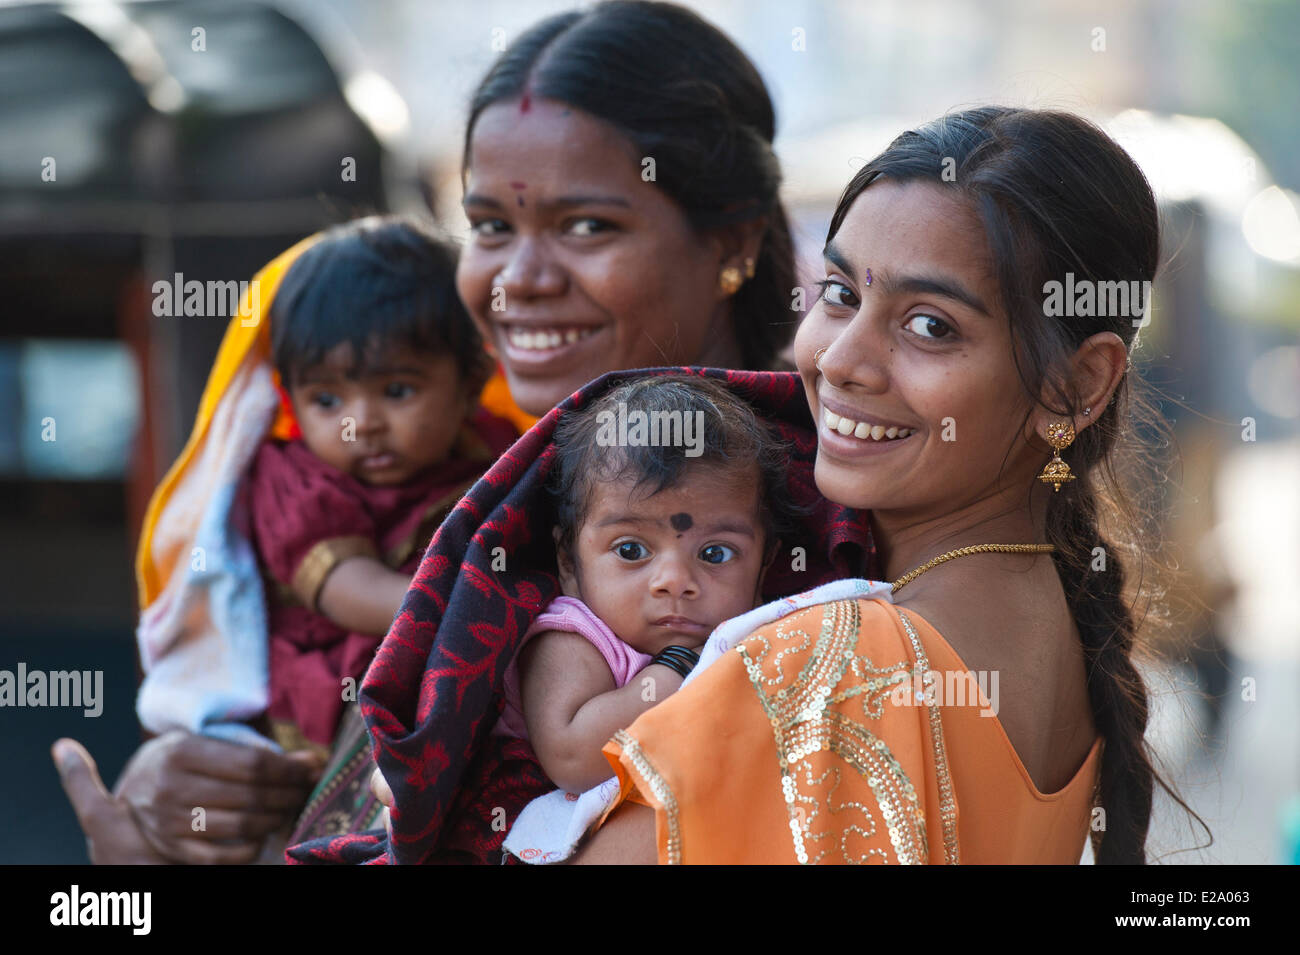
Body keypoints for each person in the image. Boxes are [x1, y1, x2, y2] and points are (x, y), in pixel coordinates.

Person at [55, 0, 803, 864]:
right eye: (490, 226)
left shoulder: (819, 509)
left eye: (587, 225)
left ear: (733, 242)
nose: (516, 280)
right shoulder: (473, 465)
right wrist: (179, 803)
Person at [566, 107, 1211, 864]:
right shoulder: (1062, 625)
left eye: (930, 326)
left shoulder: (826, 660)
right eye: (840, 292)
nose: (841, 358)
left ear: (1075, 384)